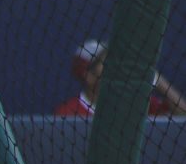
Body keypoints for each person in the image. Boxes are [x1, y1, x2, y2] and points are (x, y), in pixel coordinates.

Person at [54, 39, 186, 116]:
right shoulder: (67, 112)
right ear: (88, 76)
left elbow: (182, 114)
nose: (114, 66)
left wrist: (157, 80)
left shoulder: (135, 103)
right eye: (106, 62)